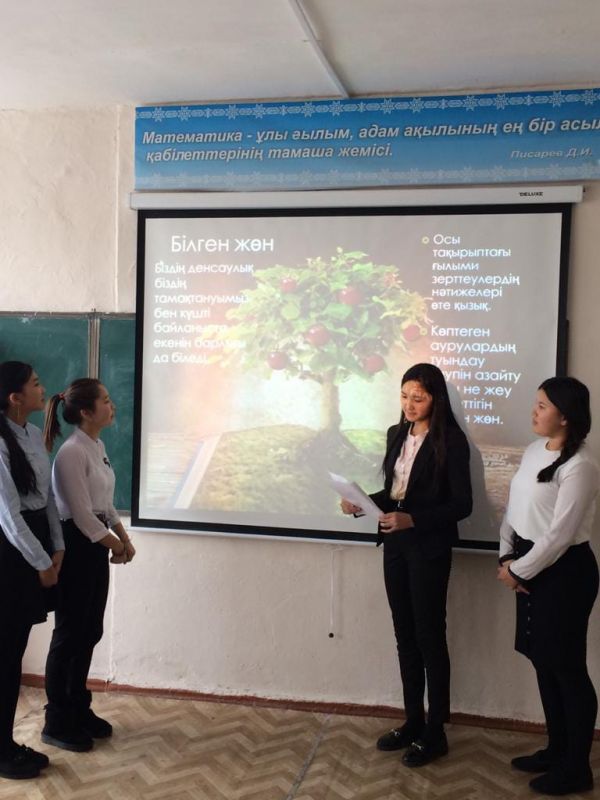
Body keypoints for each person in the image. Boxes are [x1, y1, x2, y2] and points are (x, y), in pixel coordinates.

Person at [341, 363, 472, 766]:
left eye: (419, 397)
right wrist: (363, 503)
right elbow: (396, 493)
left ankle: (436, 732)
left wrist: (413, 519)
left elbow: (462, 505)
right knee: (405, 636)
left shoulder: (451, 440)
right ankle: (413, 720)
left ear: (436, 399)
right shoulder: (396, 434)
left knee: (430, 637)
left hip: (428, 548)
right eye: (404, 396)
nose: (409, 405)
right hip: (395, 545)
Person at [497, 377, 599, 796]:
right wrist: (506, 556)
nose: (534, 412)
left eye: (542, 406)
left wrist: (520, 571)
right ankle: (556, 750)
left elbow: (560, 535)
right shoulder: (534, 450)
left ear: (566, 416)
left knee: (567, 669)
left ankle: (576, 768)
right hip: (528, 563)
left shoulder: (581, 466)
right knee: (544, 662)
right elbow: (514, 509)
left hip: (564, 574)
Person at [41, 378, 135, 752]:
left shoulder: (97, 446)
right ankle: (56, 719)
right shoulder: (71, 452)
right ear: (86, 411)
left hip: (95, 544)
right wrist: (115, 544)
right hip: (76, 546)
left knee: (90, 630)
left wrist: (124, 538)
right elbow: (80, 515)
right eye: (106, 401)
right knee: (69, 633)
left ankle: (78, 707)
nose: (112, 406)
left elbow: (105, 504)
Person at [0, 361, 64, 780]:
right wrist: (40, 562)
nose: (43, 389)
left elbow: (47, 498)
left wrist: (58, 547)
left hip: (36, 543)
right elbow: (9, 515)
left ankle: (6, 744)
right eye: (36, 384)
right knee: (5, 657)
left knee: (13, 654)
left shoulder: (30, 433)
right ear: (15, 397)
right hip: (12, 555)